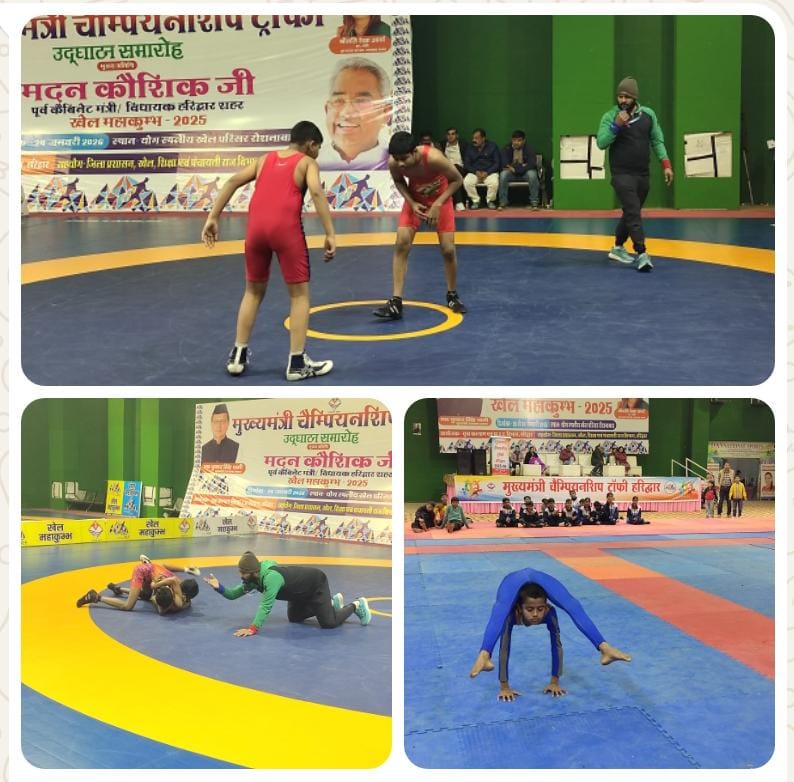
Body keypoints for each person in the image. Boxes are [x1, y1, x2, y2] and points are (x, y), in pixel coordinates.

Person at [201, 121, 336, 380]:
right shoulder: (307, 163)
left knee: (252, 291)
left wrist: (213, 216)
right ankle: (297, 363)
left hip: (255, 232)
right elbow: (317, 193)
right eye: (318, 148)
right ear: (310, 144)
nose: (318, 153)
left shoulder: (264, 159)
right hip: (286, 232)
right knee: (299, 296)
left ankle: (237, 356)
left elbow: (232, 181)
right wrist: (330, 232)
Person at [469, 569, 631, 701]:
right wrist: (504, 686)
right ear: (519, 609)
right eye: (530, 610)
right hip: (511, 584)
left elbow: (556, 646)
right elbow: (504, 647)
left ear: (546, 608)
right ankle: (484, 654)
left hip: (542, 579)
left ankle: (605, 648)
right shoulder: (510, 614)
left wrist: (554, 681)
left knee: (571, 604)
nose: (535, 615)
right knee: (500, 612)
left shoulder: (549, 613)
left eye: (540, 609)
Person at [372, 131, 465, 320]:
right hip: (415, 200)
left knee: (448, 250)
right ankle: (396, 301)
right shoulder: (394, 162)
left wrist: (437, 204)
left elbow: (457, 180)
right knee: (401, 243)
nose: (400, 164)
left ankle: (452, 295)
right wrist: (412, 203)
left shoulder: (434, 158)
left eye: (404, 158)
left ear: (414, 152)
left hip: (440, 199)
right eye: (397, 159)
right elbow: (399, 181)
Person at [596, 77, 673, 273]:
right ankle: (642, 253)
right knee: (633, 211)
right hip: (621, 174)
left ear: (635, 98)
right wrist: (616, 126)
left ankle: (617, 247)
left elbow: (657, 141)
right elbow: (601, 142)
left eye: (627, 97)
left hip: (642, 174)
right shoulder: (610, 116)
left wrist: (666, 165)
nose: (622, 100)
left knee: (631, 211)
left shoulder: (648, 115)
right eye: (620, 96)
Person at [204, 551, 370, 635]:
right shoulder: (253, 579)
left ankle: (356, 605)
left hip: (315, 584)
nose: (240, 575)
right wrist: (219, 587)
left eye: (243, 572)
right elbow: (233, 594)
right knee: (294, 618)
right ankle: (330, 603)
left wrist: (253, 629)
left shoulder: (271, 578)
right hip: (297, 593)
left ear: (252, 572)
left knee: (328, 623)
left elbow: (265, 606)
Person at [318, 57, 392, 170]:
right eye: (339, 101)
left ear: (386, 113)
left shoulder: (397, 162)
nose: (346, 113)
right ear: (327, 110)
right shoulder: (310, 162)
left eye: (361, 101)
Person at [76, 554, 200, 612]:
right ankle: (96, 597)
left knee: (146, 595)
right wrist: (154, 585)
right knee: (128, 606)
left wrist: (186, 569)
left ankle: (119, 589)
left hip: (153, 572)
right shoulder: (175, 589)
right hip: (142, 572)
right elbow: (161, 609)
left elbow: (164, 566)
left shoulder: (176, 584)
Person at [498, 130, 539, 209]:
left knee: (532, 175)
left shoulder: (529, 148)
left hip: (524, 173)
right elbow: (504, 163)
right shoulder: (507, 148)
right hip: (511, 173)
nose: (516, 142)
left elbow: (531, 164)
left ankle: (534, 202)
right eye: (514, 140)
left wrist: (516, 169)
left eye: (519, 140)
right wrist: (521, 166)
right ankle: (503, 202)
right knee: (503, 175)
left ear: (524, 141)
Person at [462, 128, 501, 209]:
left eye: (476, 138)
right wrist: (475, 172)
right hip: (475, 172)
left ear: (483, 138)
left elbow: (497, 163)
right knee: (467, 182)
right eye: (473, 138)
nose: (474, 140)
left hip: (489, 172)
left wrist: (487, 172)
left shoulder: (492, 146)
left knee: (494, 182)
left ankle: (490, 201)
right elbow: (467, 164)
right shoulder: (470, 147)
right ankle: (476, 201)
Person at [440, 127, 468, 211]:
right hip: (446, 170)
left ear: (457, 135)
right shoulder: (442, 145)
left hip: (460, 169)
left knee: (455, 169)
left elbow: (467, 159)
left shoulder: (463, 144)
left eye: (453, 134)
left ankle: (458, 202)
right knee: (452, 174)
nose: (450, 136)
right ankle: (459, 202)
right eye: (448, 134)